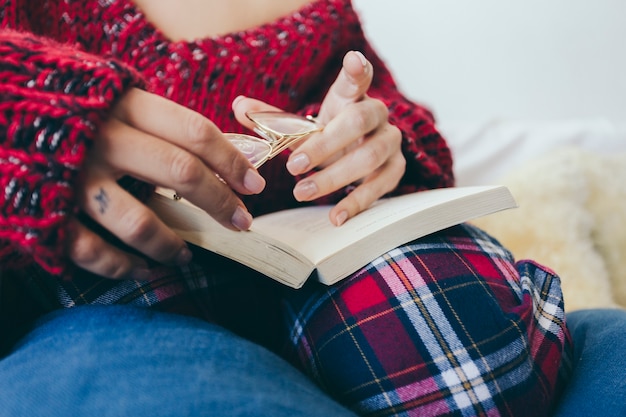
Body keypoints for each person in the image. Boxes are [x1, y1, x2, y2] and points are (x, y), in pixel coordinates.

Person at [0, 0, 572, 416]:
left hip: (310, 262)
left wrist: (376, 140)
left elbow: (373, 106)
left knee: (456, 328)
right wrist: (27, 115)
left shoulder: (324, 15)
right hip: (107, 275)